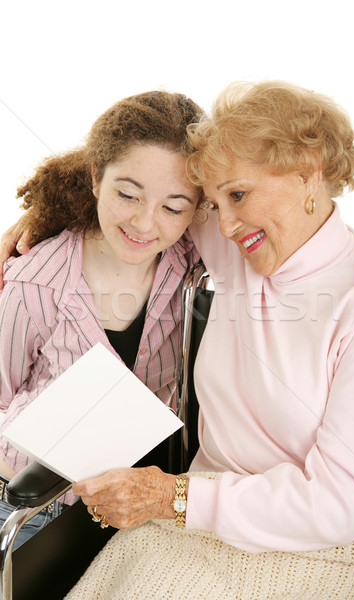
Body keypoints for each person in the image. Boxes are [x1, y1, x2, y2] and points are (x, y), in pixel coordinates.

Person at [55, 81, 354, 600]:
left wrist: (175, 497)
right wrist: (29, 227)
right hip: (197, 521)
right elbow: (133, 191)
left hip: (337, 541)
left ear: (309, 170)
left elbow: (335, 508)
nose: (226, 223)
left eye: (237, 194)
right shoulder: (239, 242)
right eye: (214, 203)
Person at [0, 90, 204, 548]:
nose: (145, 223)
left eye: (173, 207)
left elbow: (287, 227)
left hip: (141, 500)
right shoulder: (38, 281)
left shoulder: (192, 260)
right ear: (96, 178)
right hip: (35, 503)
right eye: (127, 195)